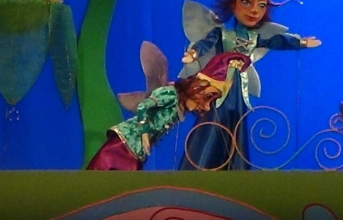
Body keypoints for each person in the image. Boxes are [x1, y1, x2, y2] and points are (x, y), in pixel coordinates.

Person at [177, 0, 320, 170]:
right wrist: (194, 52)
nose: (254, 11)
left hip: (239, 89)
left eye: (261, 5)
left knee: (237, 123)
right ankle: (200, 165)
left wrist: (300, 42)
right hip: (219, 85)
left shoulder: (254, 38)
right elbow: (206, 43)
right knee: (213, 120)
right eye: (246, 2)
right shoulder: (223, 33)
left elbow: (276, 41)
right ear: (233, 4)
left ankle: (235, 168)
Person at [87, 51, 251, 170]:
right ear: (197, 86)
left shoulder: (179, 107)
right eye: (207, 97)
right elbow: (144, 106)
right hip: (126, 142)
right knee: (106, 170)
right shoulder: (171, 94)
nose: (207, 106)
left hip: (137, 150)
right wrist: (144, 132)